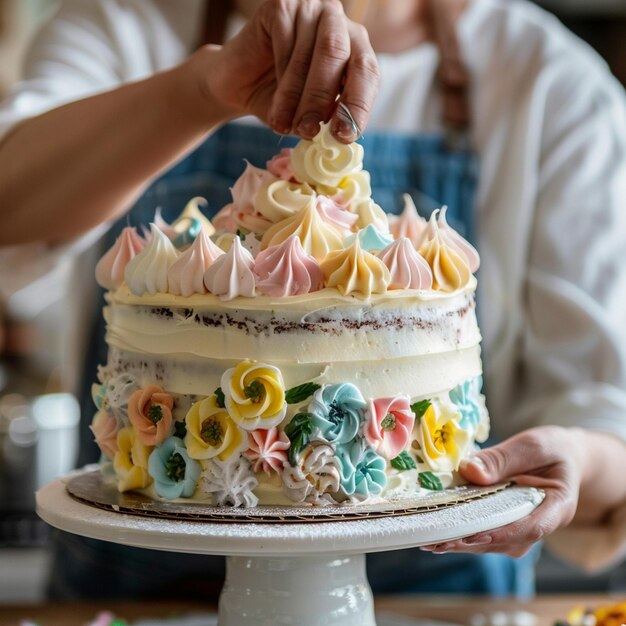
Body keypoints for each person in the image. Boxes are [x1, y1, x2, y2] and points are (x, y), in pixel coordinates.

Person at [1, 0, 626, 599]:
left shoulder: (548, 79)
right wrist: (200, 90)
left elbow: (607, 423)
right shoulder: (122, 23)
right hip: (133, 596)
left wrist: (580, 456)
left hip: (442, 601)